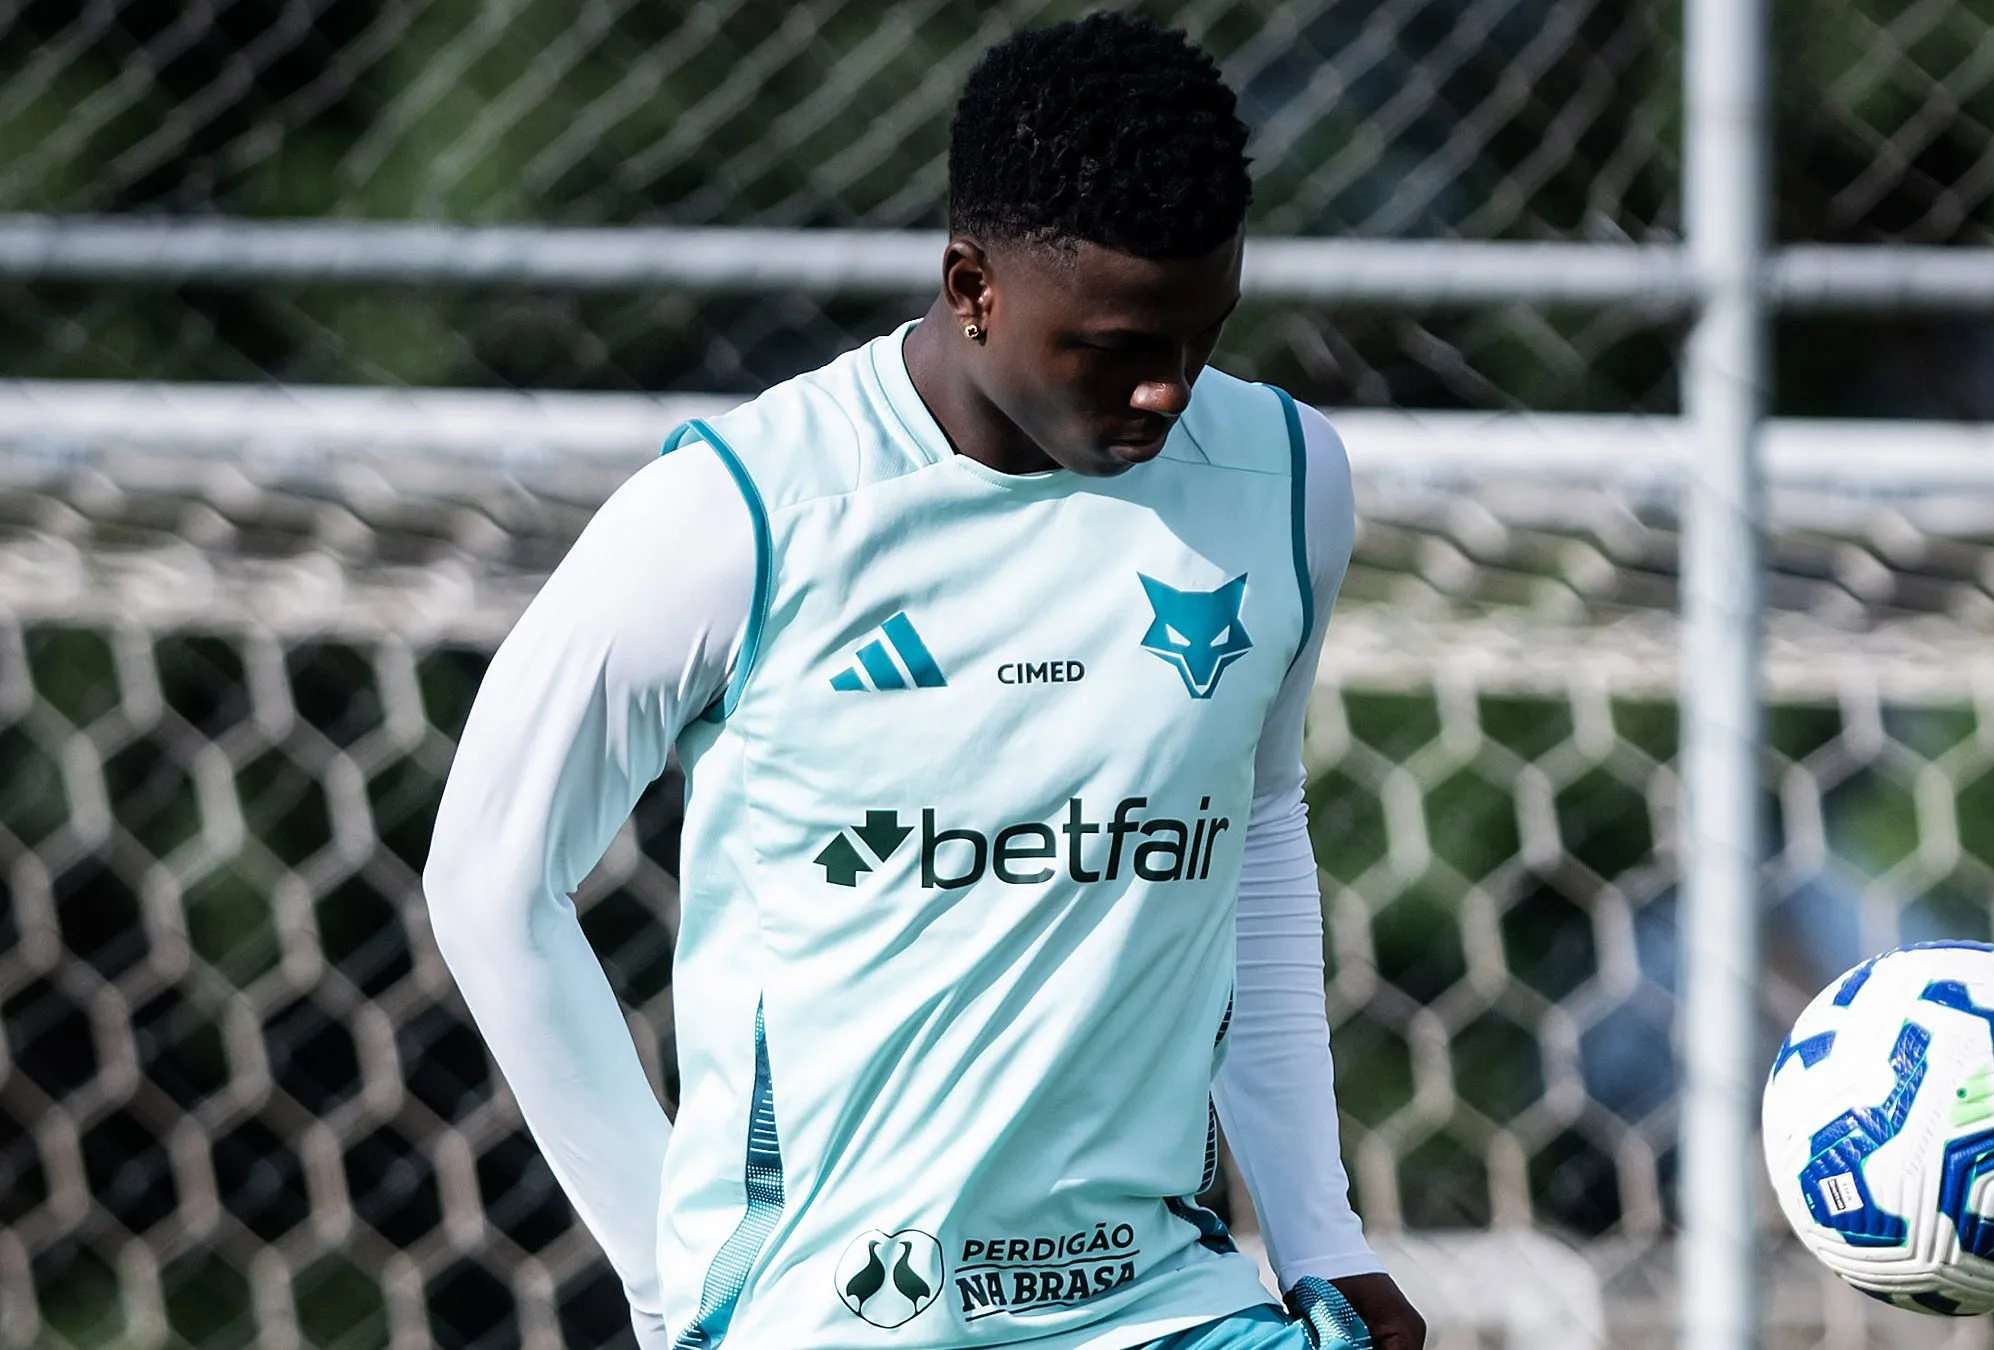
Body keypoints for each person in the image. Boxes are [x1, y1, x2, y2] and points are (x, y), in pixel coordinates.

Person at [424, 13, 1424, 1350]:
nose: (1169, 391)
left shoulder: (1287, 481)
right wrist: (677, 1291)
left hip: (1158, 1300)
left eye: (1203, 336)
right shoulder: (743, 513)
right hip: (834, 1314)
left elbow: (1255, 821)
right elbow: (489, 880)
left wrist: (1320, 1233)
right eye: (1118, 348)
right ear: (972, 287)